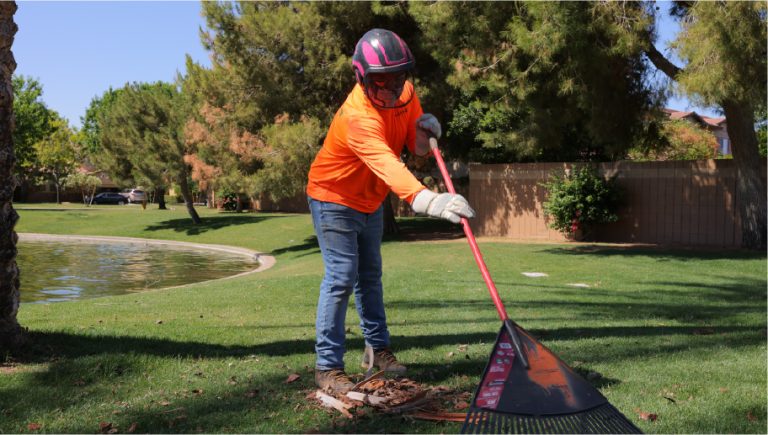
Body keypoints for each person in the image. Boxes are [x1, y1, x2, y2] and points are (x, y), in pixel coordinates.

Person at [306, 28, 475, 393]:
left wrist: (426, 132)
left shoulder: (406, 95)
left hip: (370, 198)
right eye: (380, 82)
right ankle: (327, 367)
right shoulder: (356, 117)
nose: (391, 89)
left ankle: (377, 351)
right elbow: (388, 163)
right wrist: (429, 200)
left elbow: (411, 147)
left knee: (370, 276)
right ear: (362, 78)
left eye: (398, 79)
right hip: (332, 197)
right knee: (341, 277)